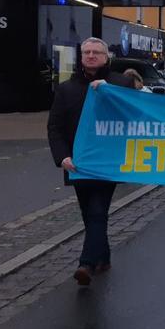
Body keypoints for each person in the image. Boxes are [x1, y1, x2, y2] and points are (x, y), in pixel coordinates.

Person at [48, 37, 135, 286]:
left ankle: (85, 263)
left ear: (106, 57)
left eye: (96, 52)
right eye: (86, 52)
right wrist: (62, 156)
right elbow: (55, 127)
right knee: (89, 213)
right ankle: (103, 256)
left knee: (98, 210)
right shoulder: (65, 89)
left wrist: (109, 91)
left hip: (107, 162)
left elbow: (133, 114)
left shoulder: (122, 82)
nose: (91, 56)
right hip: (77, 164)